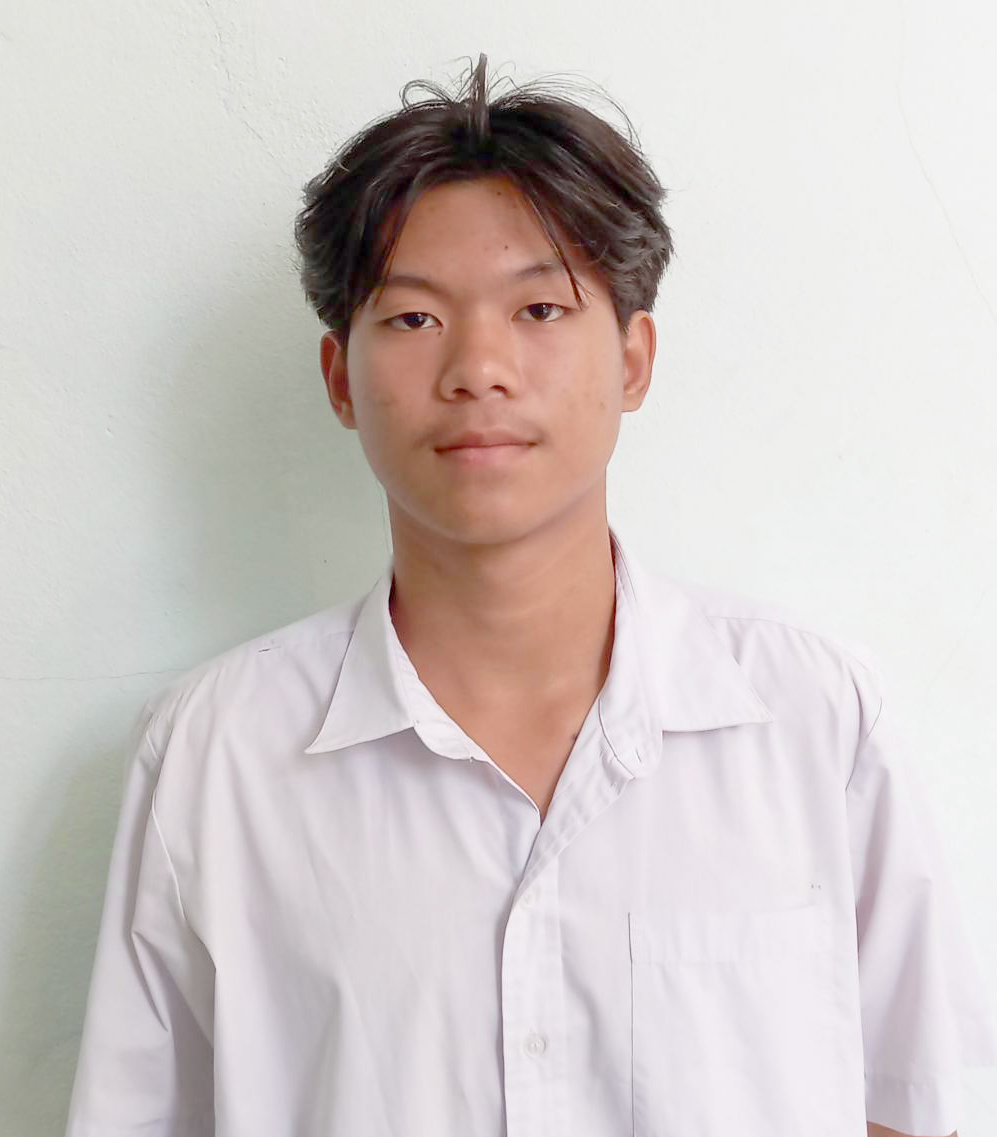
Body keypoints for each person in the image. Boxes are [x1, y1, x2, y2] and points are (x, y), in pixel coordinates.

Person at [65, 53, 995, 1137]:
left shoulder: (810, 717)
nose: (479, 368)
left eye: (541, 308)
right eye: (413, 319)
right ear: (338, 379)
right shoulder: (214, 756)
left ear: (634, 360)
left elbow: (911, 1107)